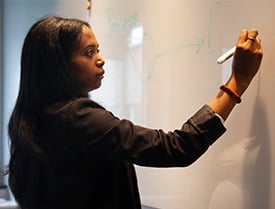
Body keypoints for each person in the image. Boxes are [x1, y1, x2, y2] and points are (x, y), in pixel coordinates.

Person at [7, 15, 263, 209]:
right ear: (58, 64)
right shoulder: (77, 117)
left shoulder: (30, 117)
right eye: (89, 52)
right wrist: (236, 82)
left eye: (98, 49)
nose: (101, 59)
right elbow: (177, 147)